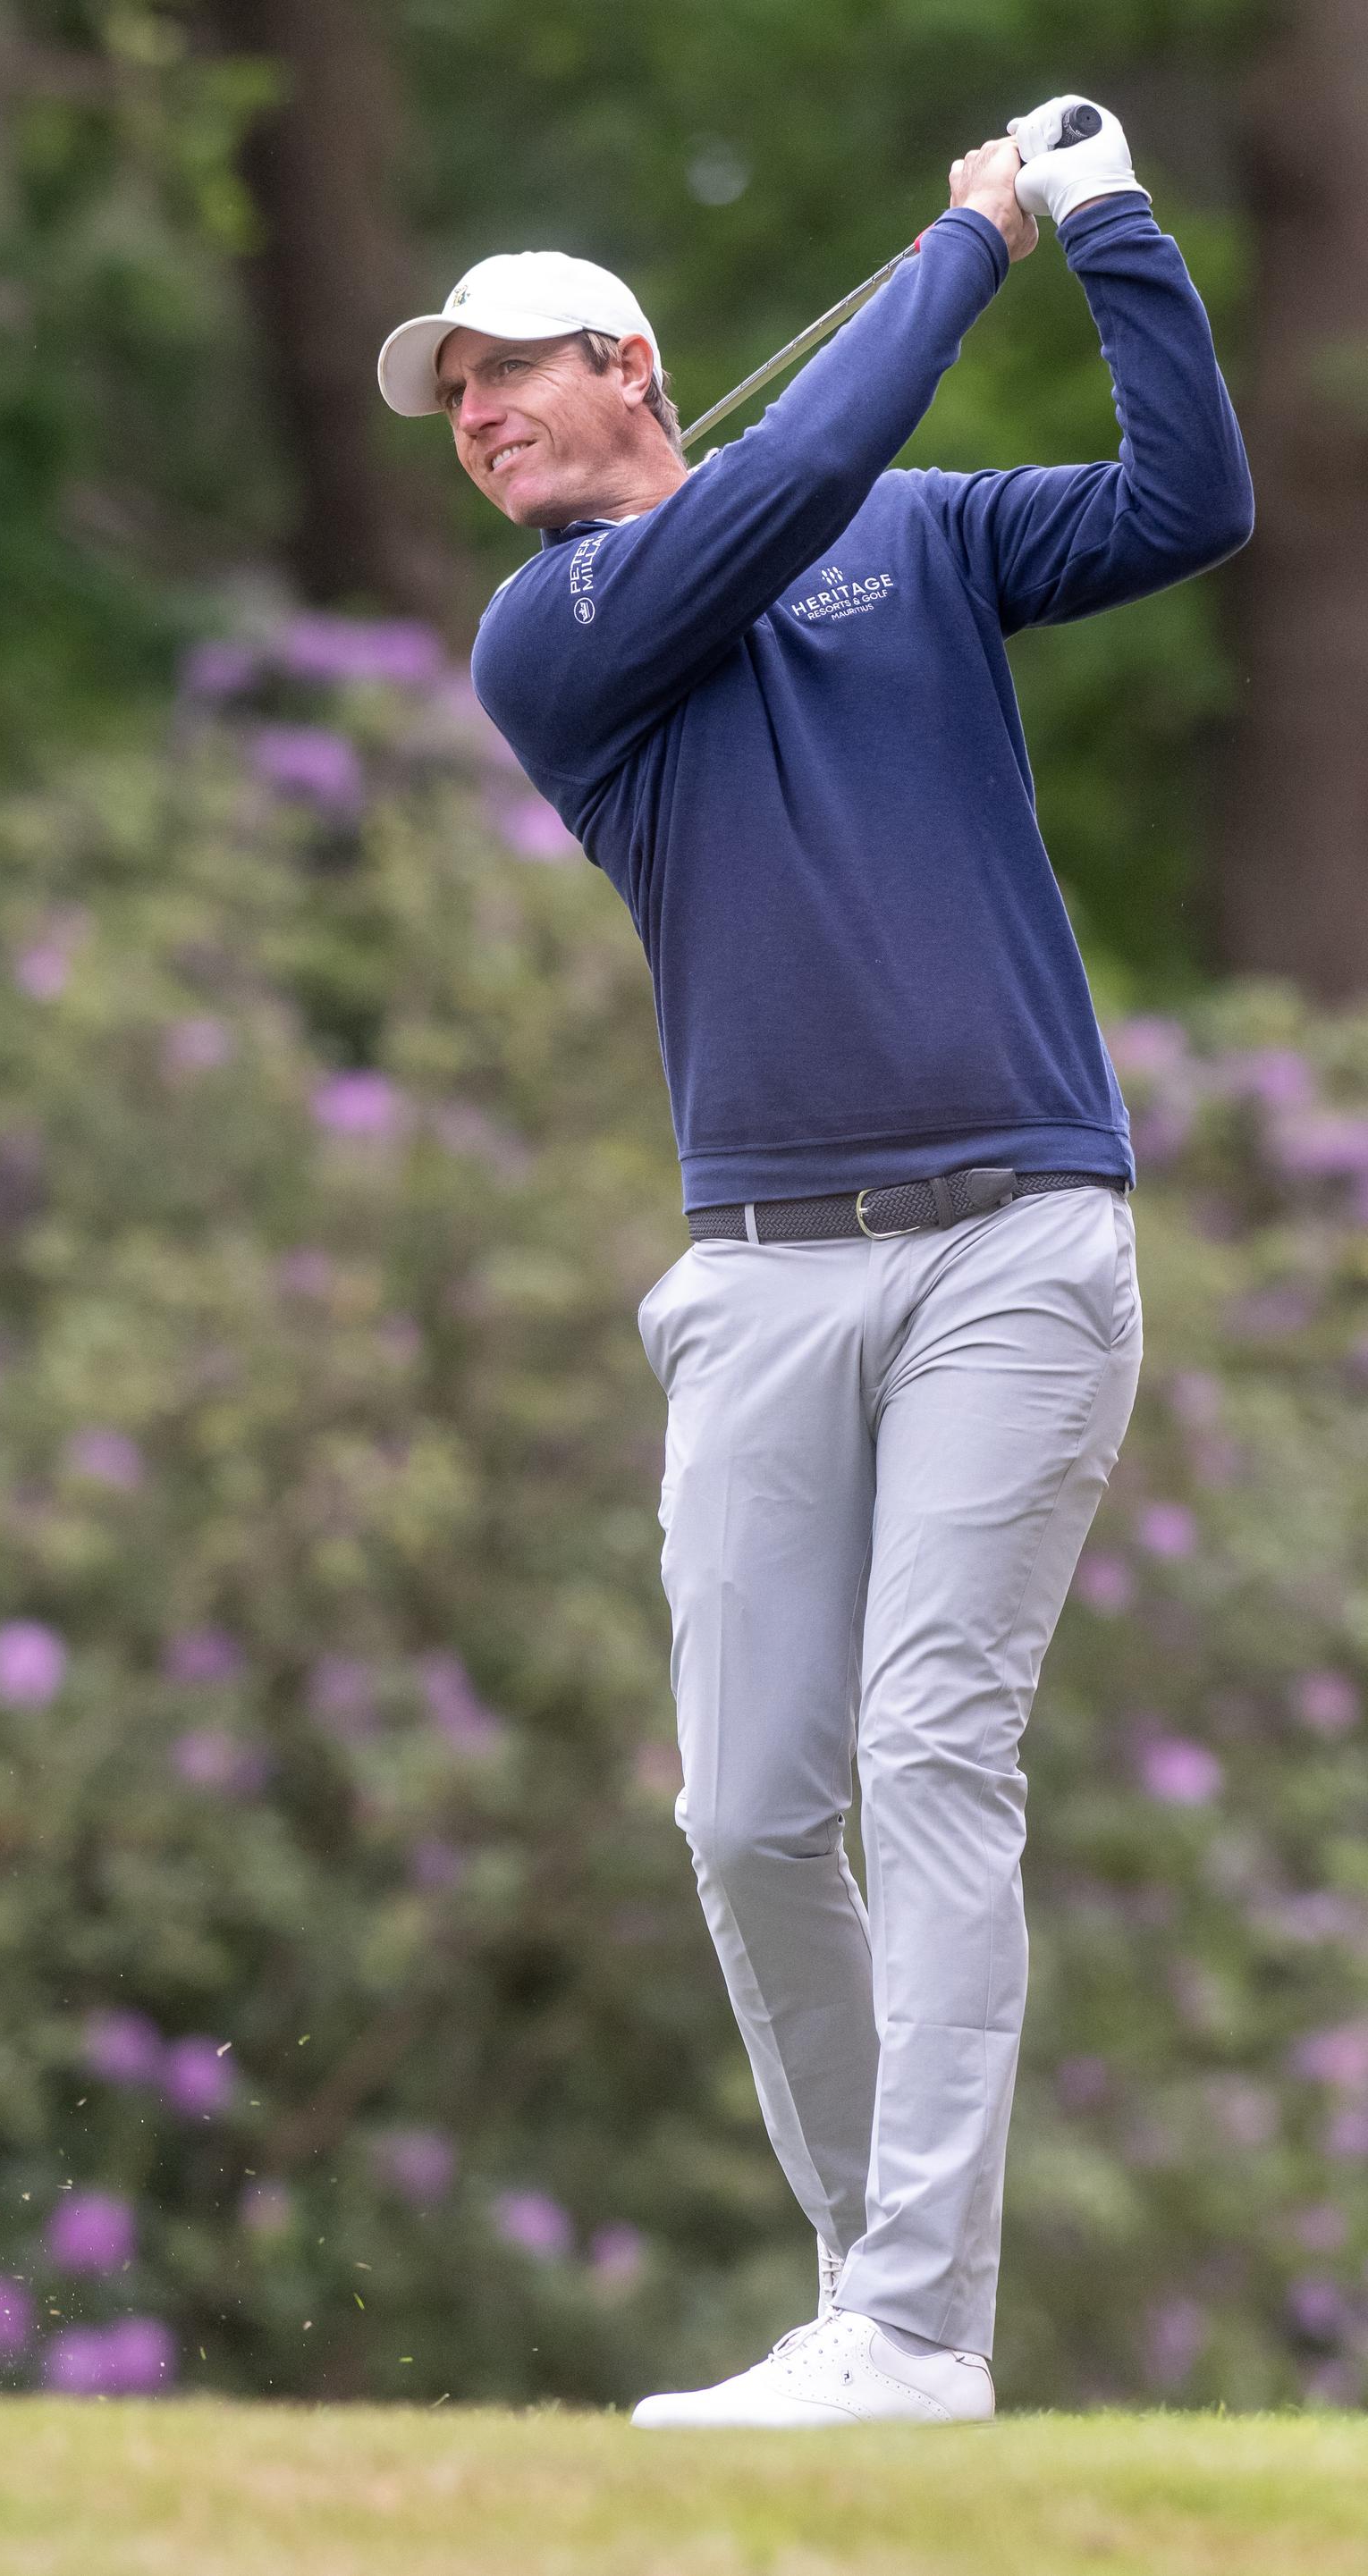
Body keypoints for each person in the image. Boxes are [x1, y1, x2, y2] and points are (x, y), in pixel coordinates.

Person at [377, 97, 1251, 2429]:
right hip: (758, 1279)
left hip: (1016, 1245)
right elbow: (772, 502)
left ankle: (905, 2334)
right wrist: (966, 250)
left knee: (929, 1745)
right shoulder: (554, 635)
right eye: (452, 396)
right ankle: (894, 2287)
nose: (475, 416)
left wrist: (1109, 222)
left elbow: (1193, 501)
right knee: (752, 1806)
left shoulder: (921, 541)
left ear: (635, 361)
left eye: (510, 369)